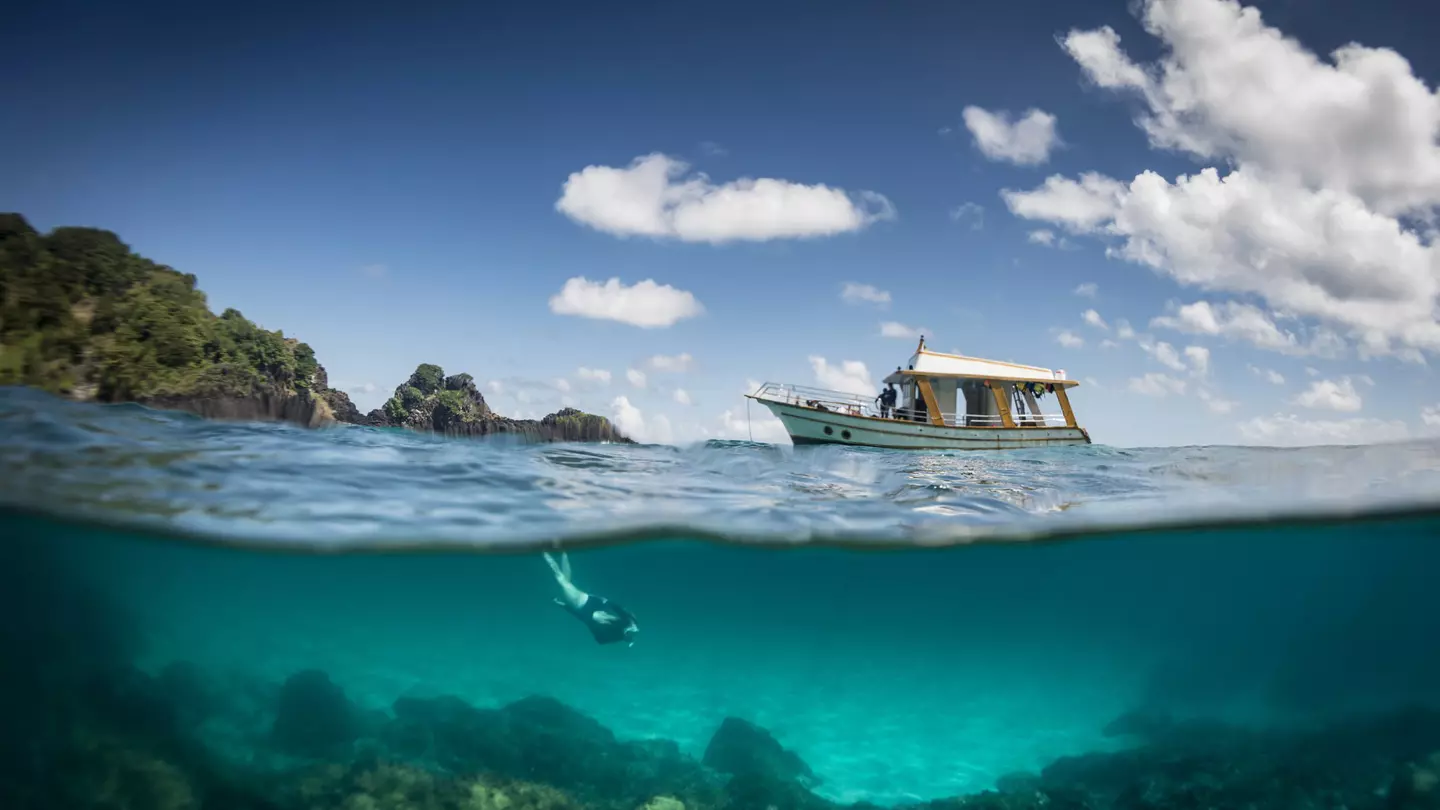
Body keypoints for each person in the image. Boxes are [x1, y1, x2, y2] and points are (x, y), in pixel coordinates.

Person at [543, 551, 639, 647]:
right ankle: (547, 554)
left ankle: (562, 553)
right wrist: (630, 626)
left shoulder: (597, 626)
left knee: (565, 581)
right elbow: (621, 611)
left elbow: (600, 638)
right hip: (583, 601)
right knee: (562, 581)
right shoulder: (614, 621)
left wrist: (563, 605)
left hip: (583, 603)